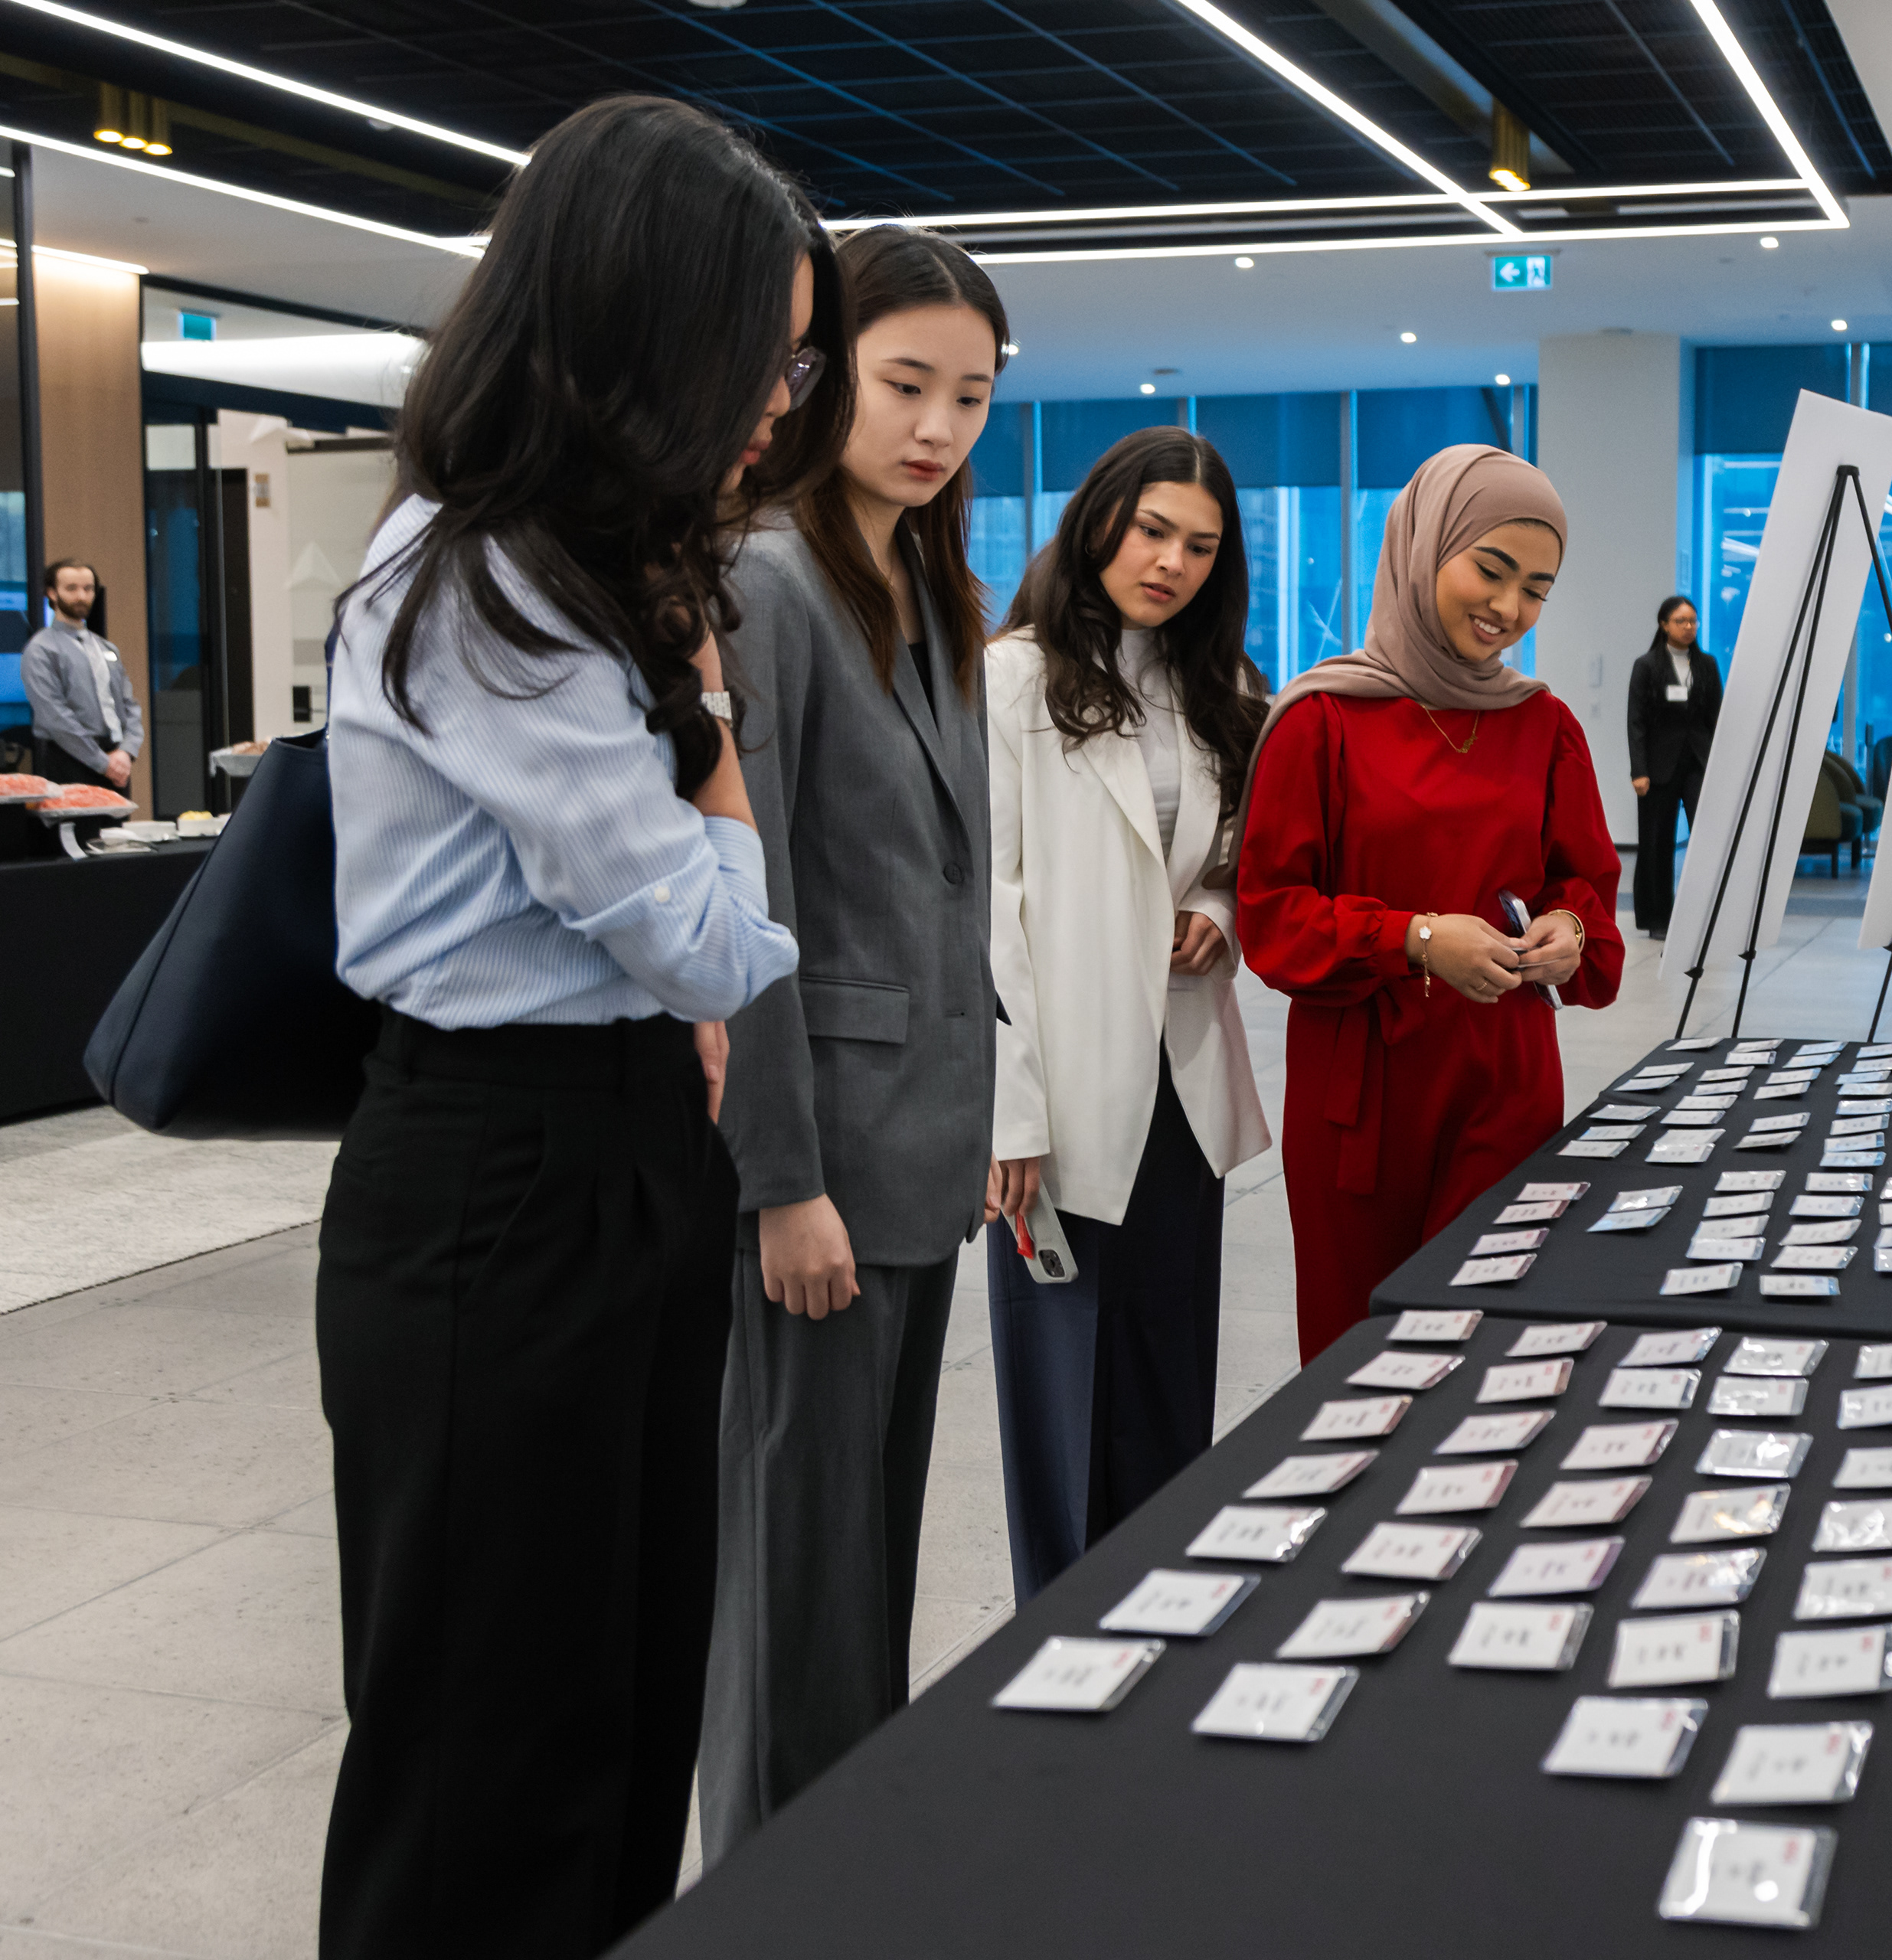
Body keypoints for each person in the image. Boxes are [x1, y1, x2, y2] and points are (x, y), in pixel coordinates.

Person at [313, 96, 842, 1960]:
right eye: (760, 353)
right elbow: (710, 942)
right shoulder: (487, 579)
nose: (777, 399)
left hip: (615, 1149)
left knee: (620, 1710)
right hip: (498, 1168)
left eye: (795, 359)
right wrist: (715, 728)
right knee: (488, 1754)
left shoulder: (590, 567)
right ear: (636, 332)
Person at [698, 225, 1003, 1857]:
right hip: (820, 1162)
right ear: (823, 379)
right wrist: (780, 1179)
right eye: (904, 384)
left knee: (864, 1567)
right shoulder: (766, 578)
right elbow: (750, 902)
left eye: (970, 395)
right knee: (794, 1584)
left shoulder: (929, 586)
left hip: (920, 1150)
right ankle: (769, 1888)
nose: (937, 426)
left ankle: (848, 1869)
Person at [1236, 444, 1624, 1362]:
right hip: (1364, 1098)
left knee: (1487, 1349)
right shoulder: (1322, 719)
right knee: (1360, 1357)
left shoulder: (1544, 725)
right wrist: (1411, 938)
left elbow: (1586, 890)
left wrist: (1568, 930)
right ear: (1423, 548)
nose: (1508, 607)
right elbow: (1273, 916)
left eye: (1536, 590)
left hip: (1504, 1079)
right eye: (1491, 569)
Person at [983, 427, 1272, 1599]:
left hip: (1181, 1078)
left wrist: (1218, 911)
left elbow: (1232, 858)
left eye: (1200, 546)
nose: (1172, 564)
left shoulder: (1223, 689)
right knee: (1064, 1397)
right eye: (1153, 530)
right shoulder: (1011, 676)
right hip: (1060, 1087)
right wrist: (1008, 1113)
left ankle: (1162, 1620)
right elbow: (985, 902)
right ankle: (1060, 1639)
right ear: (1098, 518)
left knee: (1165, 1373)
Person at [1626, 593, 1720, 937]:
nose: (1689, 627)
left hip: (1698, 762)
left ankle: (1708, 914)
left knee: (1707, 838)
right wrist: (1639, 770)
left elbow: (1716, 717)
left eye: (1693, 621)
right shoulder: (1647, 666)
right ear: (1664, 625)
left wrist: (1720, 766)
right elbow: (1636, 722)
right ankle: (1657, 918)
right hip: (1658, 767)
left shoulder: (1707, 665)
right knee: (1657, 842)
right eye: (1681, 621)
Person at [19, 560, 141, 795]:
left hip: (117, 759)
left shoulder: (107, 648)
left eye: (88, 589)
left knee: (119, 821)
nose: (81, 596)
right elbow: (55, 716)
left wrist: (127, 751)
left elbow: (130, 705)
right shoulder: (41, 649)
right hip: (69, 759)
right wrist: (103, 763)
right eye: (71, 588)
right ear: (52, 593)